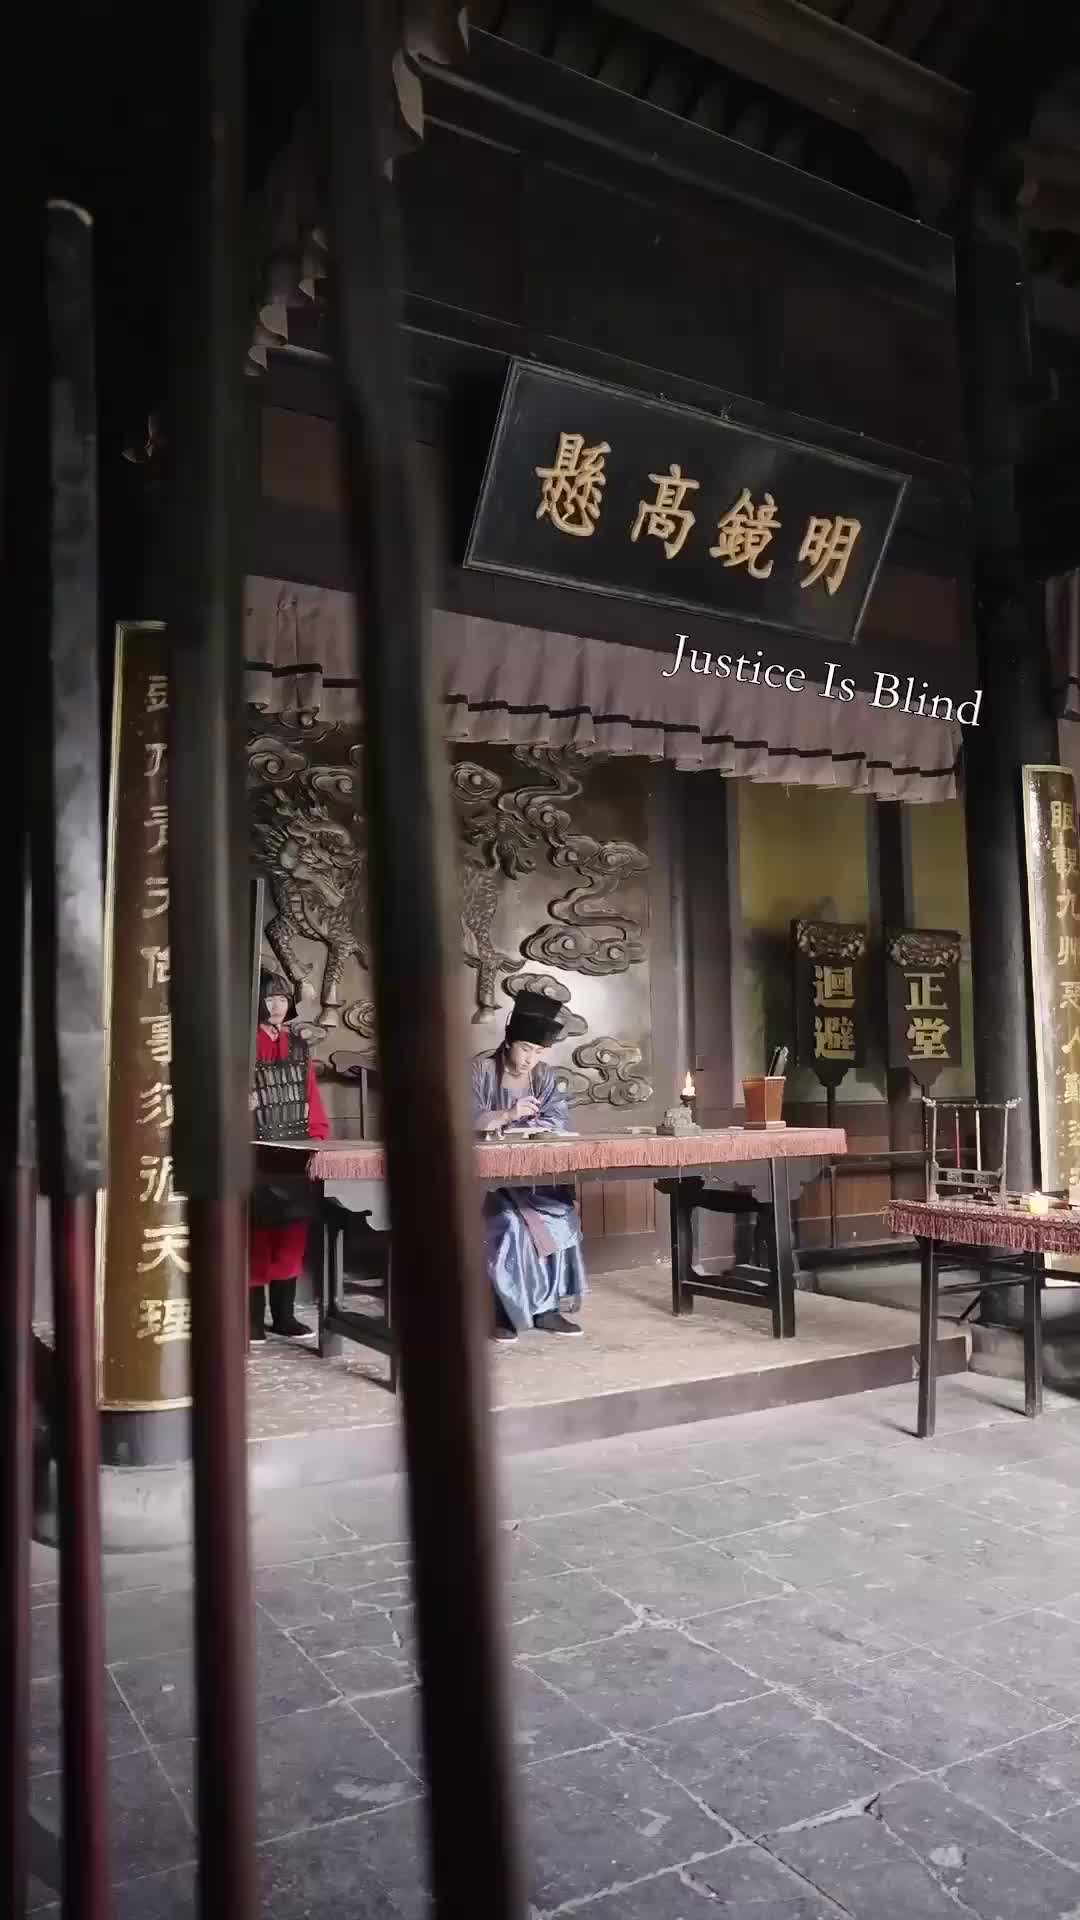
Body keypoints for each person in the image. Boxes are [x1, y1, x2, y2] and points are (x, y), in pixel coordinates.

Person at [472, 991, 586, 1340]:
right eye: (525, 1049)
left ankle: (547, 1308)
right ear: (509, 1041)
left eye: (538, 1052)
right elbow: (462, 1117)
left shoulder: (543, 1075)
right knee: (509, 1222)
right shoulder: (478, 1070)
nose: (529, 1059)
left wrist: (539, 1126)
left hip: (530, 1174)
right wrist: (507, 1115)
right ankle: (501, 1311)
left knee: (561, 1214)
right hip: (485, 1180)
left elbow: (556, 1117)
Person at [249, 973, 329, 1342]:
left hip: (295, 1146)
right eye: (269, 998)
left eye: (282, 998)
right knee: (256, 1235)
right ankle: (251, 1320)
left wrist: (318, 1140)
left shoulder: (298, 1046)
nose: (277, 1005)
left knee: (292, 1232)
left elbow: (311, 1094)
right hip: (255, 1147)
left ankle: (284, 1316)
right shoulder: (244, 1043)